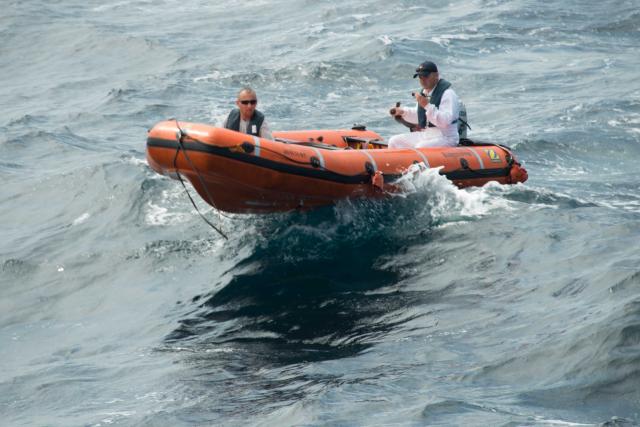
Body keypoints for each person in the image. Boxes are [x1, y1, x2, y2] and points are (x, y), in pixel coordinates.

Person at [388, 61, 460, 149]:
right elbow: (419, 116)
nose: (422, 79)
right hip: (427, 135)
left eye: (425, 76)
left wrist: (427, 105)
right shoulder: (425, 93)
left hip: (446, 137)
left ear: (436, 75)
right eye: (420, 77)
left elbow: (445, 121)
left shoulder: (448, 94)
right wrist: (403, 112)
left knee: (421, 147)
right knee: (394, 141)